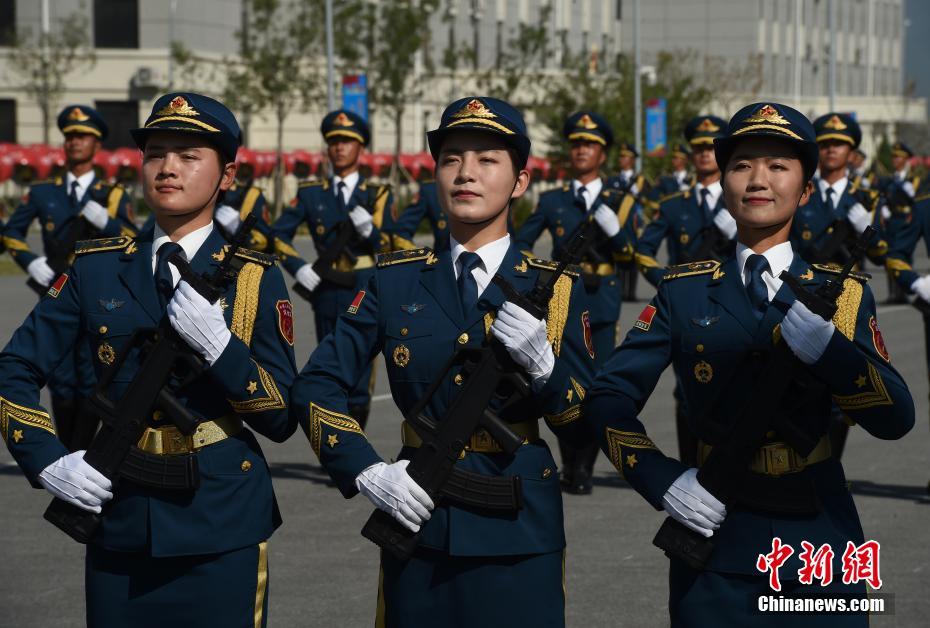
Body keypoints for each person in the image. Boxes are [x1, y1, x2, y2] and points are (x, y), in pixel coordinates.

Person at [583, 102, 914, 627]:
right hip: (715, 527)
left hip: (817, 535)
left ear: (805, 190)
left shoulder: (844, 294)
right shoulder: (684, 292)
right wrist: (664, 481)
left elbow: (896, 419)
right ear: (723, 183)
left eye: (779, 166)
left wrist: (832, 352)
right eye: (742, 165)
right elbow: (606, 399)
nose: (758, 179)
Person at [290, 96, 597, 627]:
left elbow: (586, 421)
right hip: (417, 515)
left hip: (519, 525)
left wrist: (545, 368)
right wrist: (365, 469)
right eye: (452, 158)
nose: (465, 173)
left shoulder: (558, 288)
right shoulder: (394, 280)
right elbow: (316, 384)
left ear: (521, 182)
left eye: (487, 160)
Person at [0, 92, 297, 626]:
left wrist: (221, 349)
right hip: (119, 514)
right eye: (156, 153)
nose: (168, 168)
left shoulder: (253, 277)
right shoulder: (95, 268)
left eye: (189, 156)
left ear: (227, 175)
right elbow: (13, 368)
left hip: (221, 519)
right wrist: (47, 458)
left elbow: (279, 417)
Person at [515, 110, 638, 494]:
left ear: (603, 154)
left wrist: (616, 233)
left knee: (596, 387)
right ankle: (570, 464)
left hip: (600, 304)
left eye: (591, 145)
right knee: (559, 384)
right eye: (577, 144)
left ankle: (584, 465)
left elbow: (631, 255)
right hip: (561, 304)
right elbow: (521, 244)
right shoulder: (553, 200)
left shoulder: (620, 201)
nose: (582, 150)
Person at [2, 105, 136, 451]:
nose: (75, 142)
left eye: (83, 137)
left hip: (99, 297)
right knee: (60, 380)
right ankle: (67, 450)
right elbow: (12, 234)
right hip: (55, 295)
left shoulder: (113, 194)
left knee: (92, 376)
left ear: (97, 145)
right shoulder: (44, 191)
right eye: (71, 137)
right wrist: (30, 262)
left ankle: (84, 453)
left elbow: (136, 240)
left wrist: (108, 223)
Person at [272, 109, 393, 430]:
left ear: (360, 148)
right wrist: (298, 268)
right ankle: (334, 442)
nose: (340, 147)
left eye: (347, 141)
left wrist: (372, 234)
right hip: (327, 291)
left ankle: (356, 444)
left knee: (362, 372)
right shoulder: (312, 193)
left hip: (365, 288)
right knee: (329, 368)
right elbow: (277, 235)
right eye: (334, 141)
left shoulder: (377, 195)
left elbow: (398, 248)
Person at [634, 114, 736, 467]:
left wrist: (738, 232)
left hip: (734, 304)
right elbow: (642, 250)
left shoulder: (743, 199)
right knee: (688, 389)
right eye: (698, 148)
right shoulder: (674, 204)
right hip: (689, 308)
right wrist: (666, 280)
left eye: (712, 147)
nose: (705, 154)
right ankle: (691, 468)